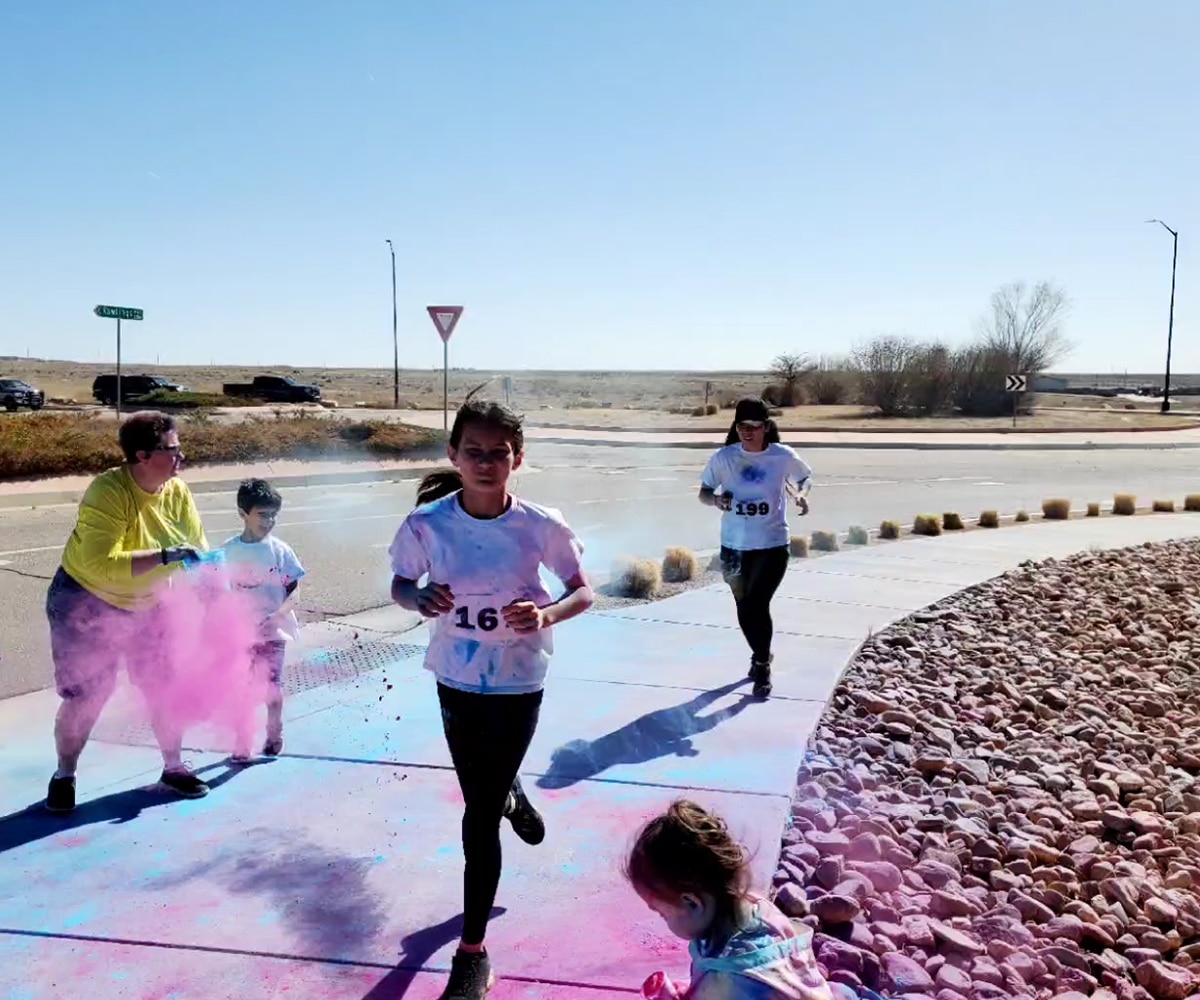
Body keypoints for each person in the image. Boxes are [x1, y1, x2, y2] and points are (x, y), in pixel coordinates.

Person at [388, 399, 594, 1000]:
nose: (485, 462)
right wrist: (417, 598)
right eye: (472, 452)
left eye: (497, 453)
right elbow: (401, 583)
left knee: (478, 814)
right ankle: (508, 789)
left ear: (517, 459)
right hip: (455, 676)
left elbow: (583, 592)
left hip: (517, 679)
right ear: (453, 455)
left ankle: (472, 953)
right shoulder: (427, 525)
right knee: (483, 790)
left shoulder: (540, 525)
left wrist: (546, 613)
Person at [44, 410, 210, 813]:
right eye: (172, 449)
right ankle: (64, 775)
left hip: (148, 603)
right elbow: (103, 564)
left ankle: (173, 768)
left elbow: (196, 548)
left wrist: (207, 587)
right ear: (141, 455)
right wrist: (166, 555)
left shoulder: (177, 491)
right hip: (87, 600)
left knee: (163, 687)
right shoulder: (108, 491)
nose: (181, 456)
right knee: (89, 694)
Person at [626, 799, 833, 1000]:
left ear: (692, 902)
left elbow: (734, 988)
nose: (664, 920)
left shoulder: (735, 977)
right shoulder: (757, 910)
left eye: (663, 914)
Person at [698, 397, 812, 699]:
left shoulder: (782, 456)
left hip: (772, 545)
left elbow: (804, 478)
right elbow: (704, 492)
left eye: (754, 426)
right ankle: (761, 652)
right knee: (744, 609)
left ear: (766, 427)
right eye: (741, 426)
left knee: (756, 604)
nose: (747, 432)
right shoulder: (724, 458)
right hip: (734, 547)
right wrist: (716, 500)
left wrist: (800, 495)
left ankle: (762, 666)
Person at [221, 478, 306, 761]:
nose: (268, 521)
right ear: (243, 514)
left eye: (273, 515)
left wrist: (277, 615)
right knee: (242, 688)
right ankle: (243, 738)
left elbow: (295, 591)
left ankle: (274, 731)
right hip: (240, 635)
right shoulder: (228, 551)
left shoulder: (280, 550)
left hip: (273, 633)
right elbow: (220, 591)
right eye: (262, 514)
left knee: (271, 687)